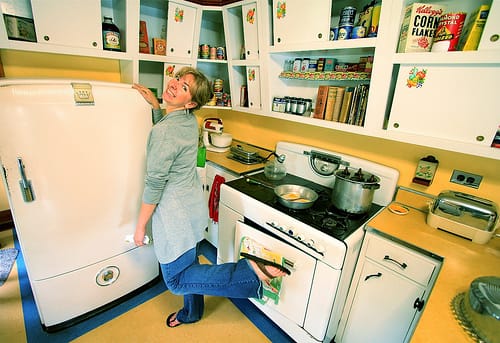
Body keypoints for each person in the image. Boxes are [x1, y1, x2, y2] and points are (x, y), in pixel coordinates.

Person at [132, 67, 290, 328]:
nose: (174, 85)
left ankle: (249, 273)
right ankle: (191, 313)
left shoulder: (166, 131)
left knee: (177, 279)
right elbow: (168, 137)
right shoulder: (187, 120)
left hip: (175, 216)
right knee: (190, 263)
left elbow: (155, 183)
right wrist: (156, 106)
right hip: (192, 209)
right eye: (179, 80)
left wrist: (140, 227)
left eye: (184, 88)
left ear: (191, 102)